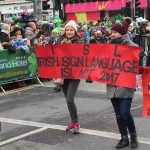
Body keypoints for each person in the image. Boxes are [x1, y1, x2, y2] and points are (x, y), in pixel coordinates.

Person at [107, 17, 139, 149]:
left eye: (114, 32)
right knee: (118, 114)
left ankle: (133, 135)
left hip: (126, 85)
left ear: (122, 32)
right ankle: (123, 137)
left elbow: (137, 64)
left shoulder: (132, 47)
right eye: (111, 32)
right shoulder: (108, 46)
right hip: (112, 84)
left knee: (125, 112)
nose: (112, 34)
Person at [58, 20, 84, 134]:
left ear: (75, 31)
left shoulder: (79, 42)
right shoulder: (60, 41)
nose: (69, 32)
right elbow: (51, 50)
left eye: (71, 30)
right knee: (67, 100)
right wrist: (44, 42)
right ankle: (73, 121)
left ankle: (76, 122)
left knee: (70, 99)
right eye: (67, 30)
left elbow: (82, 56)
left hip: (74, 74)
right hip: (63, 74)